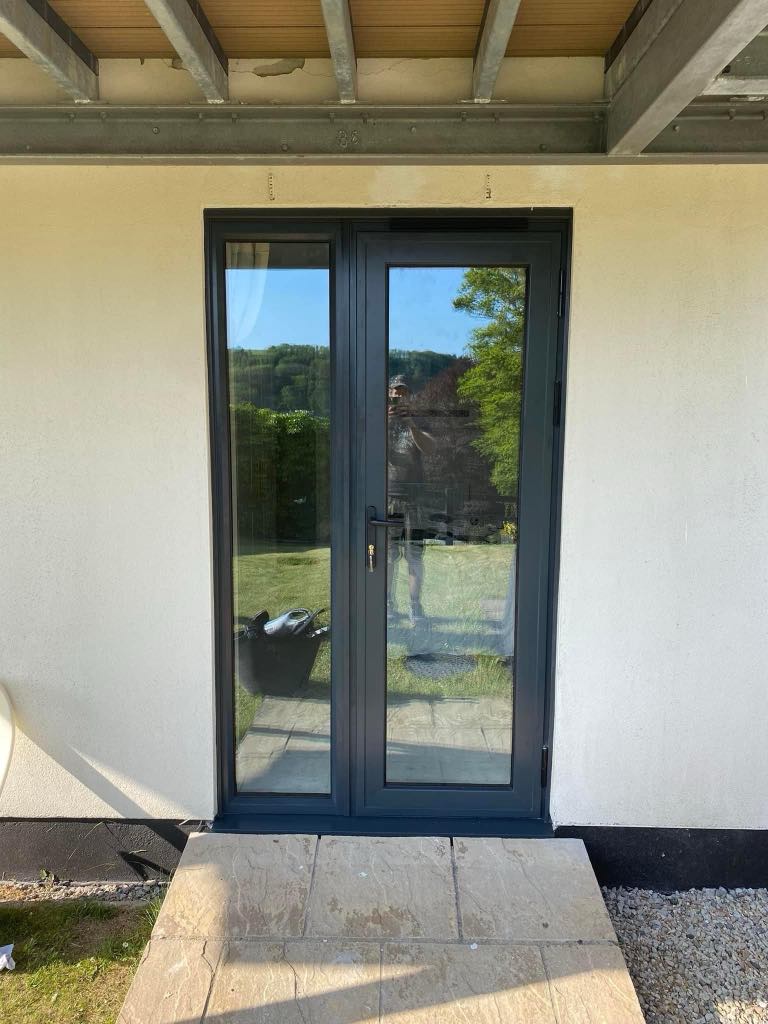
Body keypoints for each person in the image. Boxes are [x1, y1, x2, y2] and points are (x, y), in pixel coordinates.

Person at [387, 375, 435, 625]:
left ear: (409, 395)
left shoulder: (419, 419)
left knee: (414, 554)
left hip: (415, 498)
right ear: (389, 393)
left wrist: (412, 424)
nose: (399, 395)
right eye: (396, 391)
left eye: (404, 392)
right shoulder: (380, 418)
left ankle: (414, 606)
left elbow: (430, 448)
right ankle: (386, 603)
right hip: (388, 497)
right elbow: (370, 450)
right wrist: (385, 423)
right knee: (388, 556)